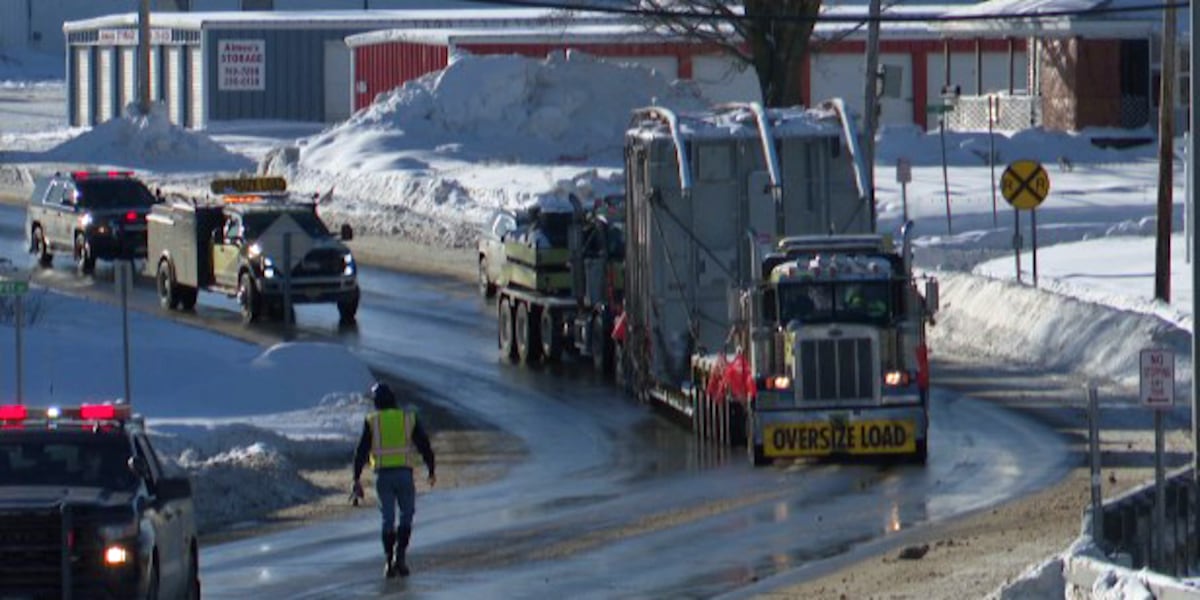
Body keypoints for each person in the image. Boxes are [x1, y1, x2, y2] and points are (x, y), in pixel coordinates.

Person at [352, 381, 436, 578]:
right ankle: (401, 557)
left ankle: (389, 561)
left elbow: (361, 451)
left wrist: (356, 478)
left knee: (387, 519)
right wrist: (431, 468)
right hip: (405, 475)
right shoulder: (408, 418)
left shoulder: (372, 421)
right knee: (407, 515)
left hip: (382, 476)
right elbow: (424, 445)